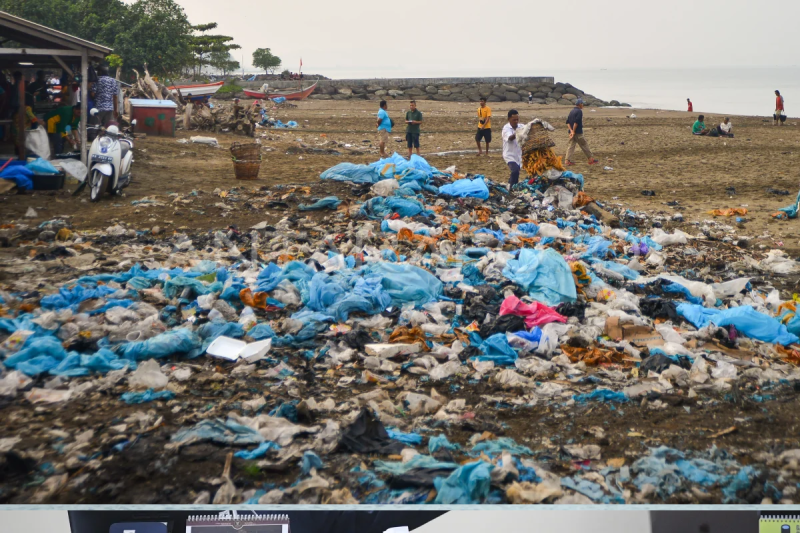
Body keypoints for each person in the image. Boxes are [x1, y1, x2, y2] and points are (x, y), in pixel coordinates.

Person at [565, 98, 598, 166]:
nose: (583, 105)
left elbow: (567, 122)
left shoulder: (572, 111)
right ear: (579, 104)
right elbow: (576, 123)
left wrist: (571, 131)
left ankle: (567, 161)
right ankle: (590, 159)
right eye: (582, 104)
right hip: (578, 132)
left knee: (571, 146)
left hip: (571, 132)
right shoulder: (579, 111)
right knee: (584, 145)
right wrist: (573, 131)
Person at [502, 109, 522, 187]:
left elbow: (529, 128)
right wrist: (518, 132)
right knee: (515, 170)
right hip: (509, 155)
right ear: (509, 119)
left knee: (516, 171)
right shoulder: (506, 128)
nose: (516, 121)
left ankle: (511, 185)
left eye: (517, 119)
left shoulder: (521, 126)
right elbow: (510, 138)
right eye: (514, 120)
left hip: (519, 154)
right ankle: (512, 187)